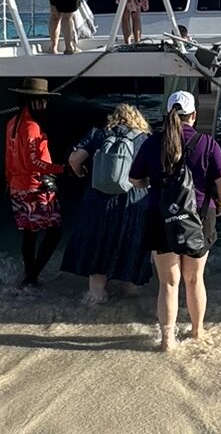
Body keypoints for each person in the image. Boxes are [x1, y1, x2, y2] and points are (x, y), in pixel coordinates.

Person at [129, 91, 221, 351]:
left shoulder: (152, 143)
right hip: (199, 215)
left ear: (167, 115)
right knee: (194, 280)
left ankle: (167, 340)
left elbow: (134, 178)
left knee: (168, 282)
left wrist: (148, 184)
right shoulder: (207, 143)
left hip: (161, 215)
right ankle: (197, 333)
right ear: (194, 116)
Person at [62, 103, 155, 303]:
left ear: (114, 118)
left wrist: (82, 174)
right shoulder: (144, 139)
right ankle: (129, 304)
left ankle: (96, 298)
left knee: (98, 249)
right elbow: (154, 171)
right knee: (132, 249)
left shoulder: (98, 134)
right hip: (133, 202)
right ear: (138, 120)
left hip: (98, 201)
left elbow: (74, 159)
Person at [4, 77, 65, 287]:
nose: (46, 105)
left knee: (29, 234)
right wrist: (60, 169)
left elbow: (8, 157)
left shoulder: (12, 123)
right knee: (55, 231)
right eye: (44, 100)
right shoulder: (31, 126)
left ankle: (29, 273)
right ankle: (32, 276)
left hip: (17, 187)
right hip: (35, 186)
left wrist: (8, 181)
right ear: (35, 101)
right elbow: (34, 162)